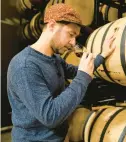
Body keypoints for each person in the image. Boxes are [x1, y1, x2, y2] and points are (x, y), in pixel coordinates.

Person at [7, 3, 116, 142]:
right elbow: (50, 116)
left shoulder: (54, 58)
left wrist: (102, 55)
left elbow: (78, 71)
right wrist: (83, 77)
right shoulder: (25, 66)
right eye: (71, 34)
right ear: (52, 25)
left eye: (75, 37)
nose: (73, 42)